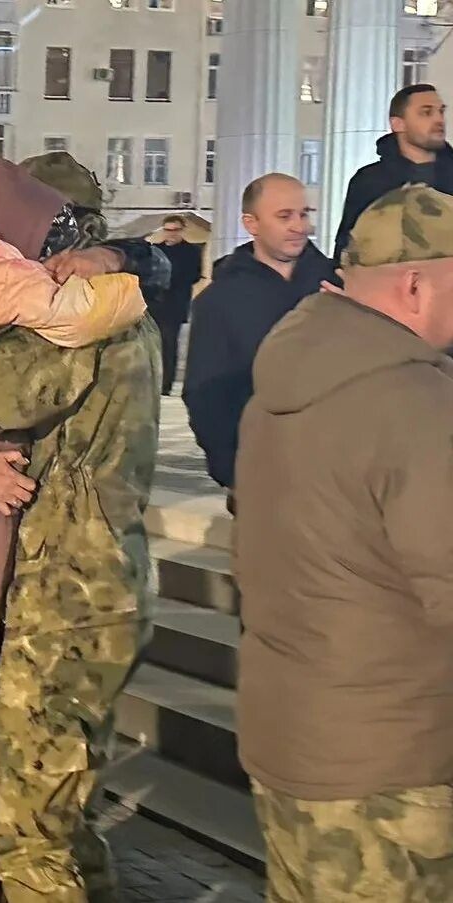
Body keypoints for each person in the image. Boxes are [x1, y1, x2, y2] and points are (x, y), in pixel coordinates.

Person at [0, 152, 161, 902]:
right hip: (109, 575)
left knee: (31, 840)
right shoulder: (126, 309)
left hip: (63, 594)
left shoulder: (71, 326)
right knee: (67, 814)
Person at [237, 185, 453, 902]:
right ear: (417, 283)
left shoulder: (282, 382)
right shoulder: (415, 405)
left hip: (292, 739)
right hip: (393, 768)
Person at [184, 173, 332, 493]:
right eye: (284, 216)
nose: (300, 226)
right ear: (251, 223)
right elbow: (205, 394)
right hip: (263, 478)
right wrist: (234, 472)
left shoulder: (340, 285)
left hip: (344, 474)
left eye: (304, 214)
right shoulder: (219, 301)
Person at [331, 84, 452, 263]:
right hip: (384, 284)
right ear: (398, 124)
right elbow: (348, 246)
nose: (439, 120)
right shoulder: (369, 181)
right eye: (426, 112)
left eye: (441, 111)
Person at [153, 214, 202, 395]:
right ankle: (153, 382)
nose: (171, 234)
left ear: (182, 231)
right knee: (153, 346)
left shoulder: (191, 252)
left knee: (168, 345)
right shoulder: (155, 250)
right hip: (153, 305)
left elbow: (193, 276)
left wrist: (169, 279)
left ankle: (166, 384)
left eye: (175, 230)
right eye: (168, 230)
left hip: (174, 305)